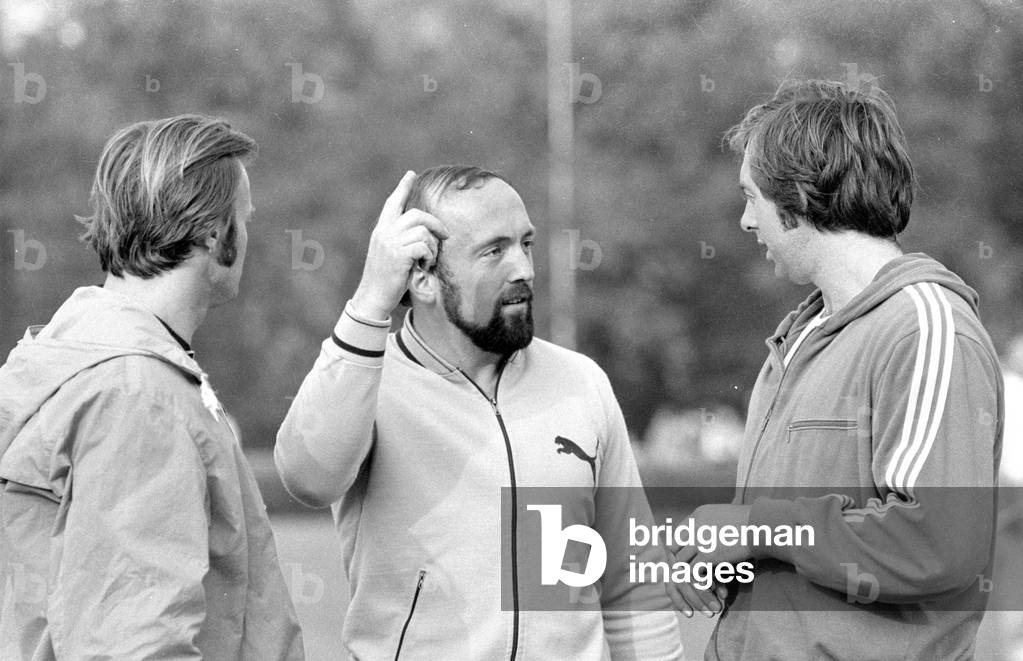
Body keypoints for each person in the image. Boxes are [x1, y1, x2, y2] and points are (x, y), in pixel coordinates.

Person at [275, 165, 684, 660]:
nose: (525, 270)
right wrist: (370, 300)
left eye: (526, 244)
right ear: (423, 278)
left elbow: (631, 581)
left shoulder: (582, 383)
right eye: (495, 250)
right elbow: (307, 477)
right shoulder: (366, 384)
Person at [670, 80, 1004, 660]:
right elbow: (800, 545)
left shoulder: (926, 328)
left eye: (751, 196)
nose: (747, 222)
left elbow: (935, 543)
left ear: (797, 195)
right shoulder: (799, 337)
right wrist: (733, 559)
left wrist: (756, 528)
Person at [0, 115, 304, 659]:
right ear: (215, 232)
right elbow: (133, 644)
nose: (249, 235)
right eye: (245, 218)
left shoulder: (97, 361)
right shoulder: (137, 396)